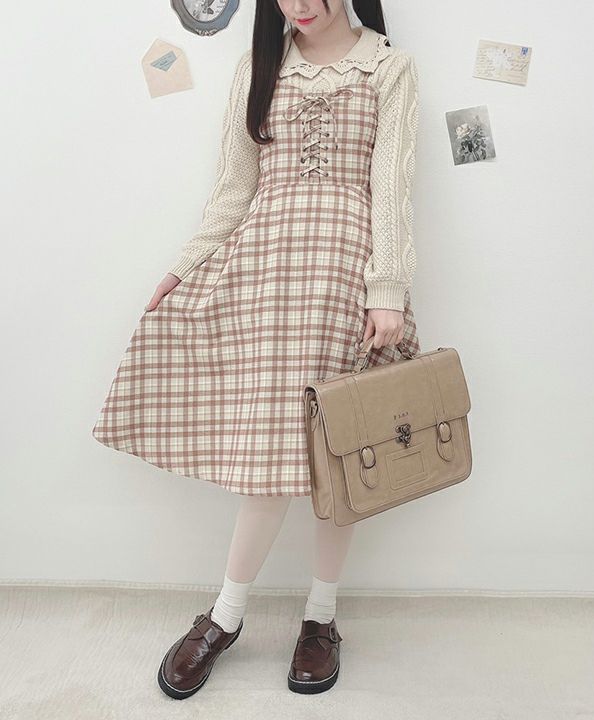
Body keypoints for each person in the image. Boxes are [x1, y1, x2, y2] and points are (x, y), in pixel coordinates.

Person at [92, 0, 420, 698]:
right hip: (264, 274)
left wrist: (387, 289)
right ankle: (226, 615)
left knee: (341, 459)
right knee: (269, 457)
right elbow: (234, 189)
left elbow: (391, 186)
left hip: (345, 278)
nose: (298, 5)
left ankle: (320, 619)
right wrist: (184, 266)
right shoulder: (258, 67)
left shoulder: (388, 67)